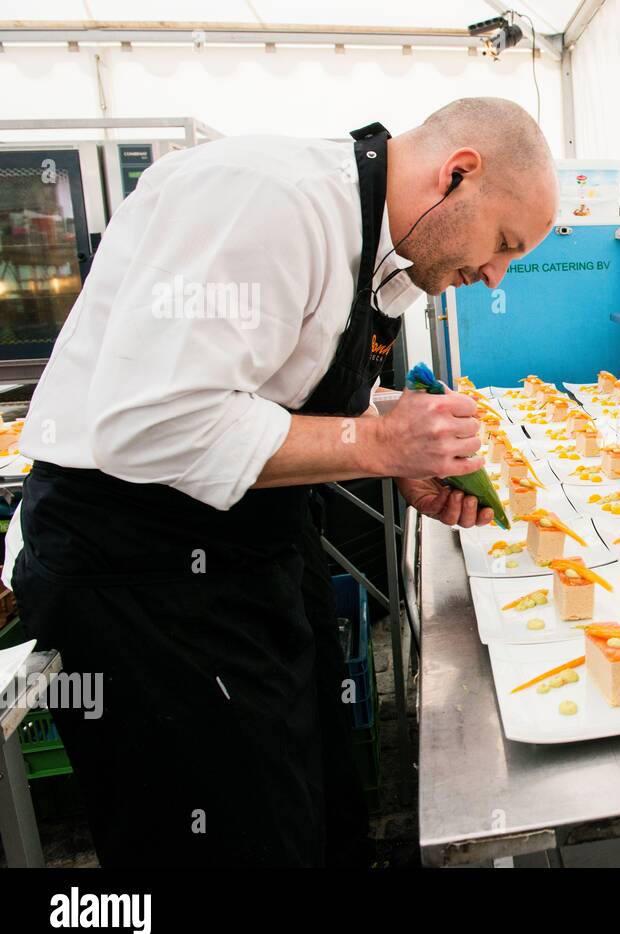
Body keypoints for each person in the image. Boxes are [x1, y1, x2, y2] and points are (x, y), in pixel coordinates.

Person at [2, 97, 557, 866]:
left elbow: (284, 384)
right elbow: (152, 424)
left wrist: (402, 448)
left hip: (251, 548)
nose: (495, 273)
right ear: (457, 173)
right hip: (139, 575)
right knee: (225, 839)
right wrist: (374, 443)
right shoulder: (271, 203)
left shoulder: (377, 249)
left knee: (316, 812)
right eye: (503, 243)